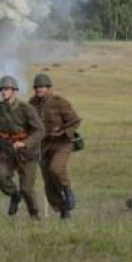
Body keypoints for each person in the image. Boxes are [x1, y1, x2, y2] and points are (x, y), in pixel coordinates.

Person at [0, 75, 44, 218]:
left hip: (26, 153)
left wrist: (24, 143)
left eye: (6, 89)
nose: (3, 92)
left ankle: (34, 214)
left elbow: (40, 130)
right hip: (6, 150)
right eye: (1, 89)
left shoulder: (26, 108)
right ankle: (14, 195)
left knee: (27, 189)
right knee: (0, 178)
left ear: (14, 90)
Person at [29, 72, 81, 219]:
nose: (39, 89)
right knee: (49, 182)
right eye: (37, 87)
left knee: (56, 169)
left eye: (42, 87)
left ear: (49, 88)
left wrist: (64, 132)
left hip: (62, 143)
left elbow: (75, 121)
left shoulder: (59, 102)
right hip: (43, 145)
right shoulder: (31, 103)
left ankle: (68, 190)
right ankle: (63, 210)